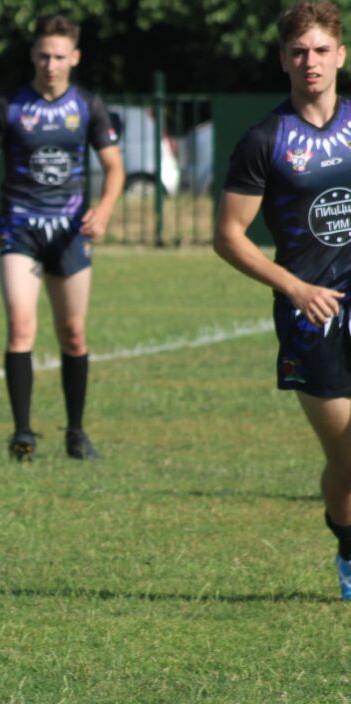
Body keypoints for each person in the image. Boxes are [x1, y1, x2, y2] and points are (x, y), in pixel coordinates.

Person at [214, 1, 351, 600]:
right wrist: (295, 287)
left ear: (341, 55)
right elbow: (228, 236)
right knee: (347, 462)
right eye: (299, 52)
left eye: (320, 50)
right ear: (283, 60)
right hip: (310, 318)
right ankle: (347, 545)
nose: (310, 61)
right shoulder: (265, 140)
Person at [0, 15, 123, 462]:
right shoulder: (9, 106)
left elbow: (114, 167)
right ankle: (22, 434)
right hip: (20, 230)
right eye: (43, 56)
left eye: (59, 57)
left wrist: (105, 209)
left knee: (73, 334)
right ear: (32, 56)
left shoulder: (88, 106)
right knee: (21, 327)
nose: (50, 65)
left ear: (75, 57)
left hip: (70, 232)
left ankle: (76, 432)